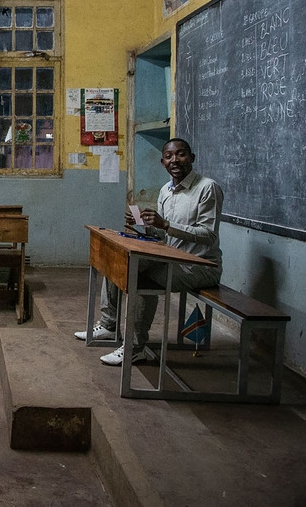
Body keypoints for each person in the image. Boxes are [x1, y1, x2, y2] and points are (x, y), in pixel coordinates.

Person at [75, 138, 223, 366]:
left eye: (181, 154)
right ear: (162, 162)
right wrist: (145, 225)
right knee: (118, 262)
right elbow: (164, 236)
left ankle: (135, 347)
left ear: (192, 158)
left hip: (199, 265)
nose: (175, 160)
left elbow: (208, 234)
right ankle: (109, 325)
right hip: (171, 257)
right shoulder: (166, 190)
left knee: (140, 276)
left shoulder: (207, 188)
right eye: (169, 156)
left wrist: (166, 225)